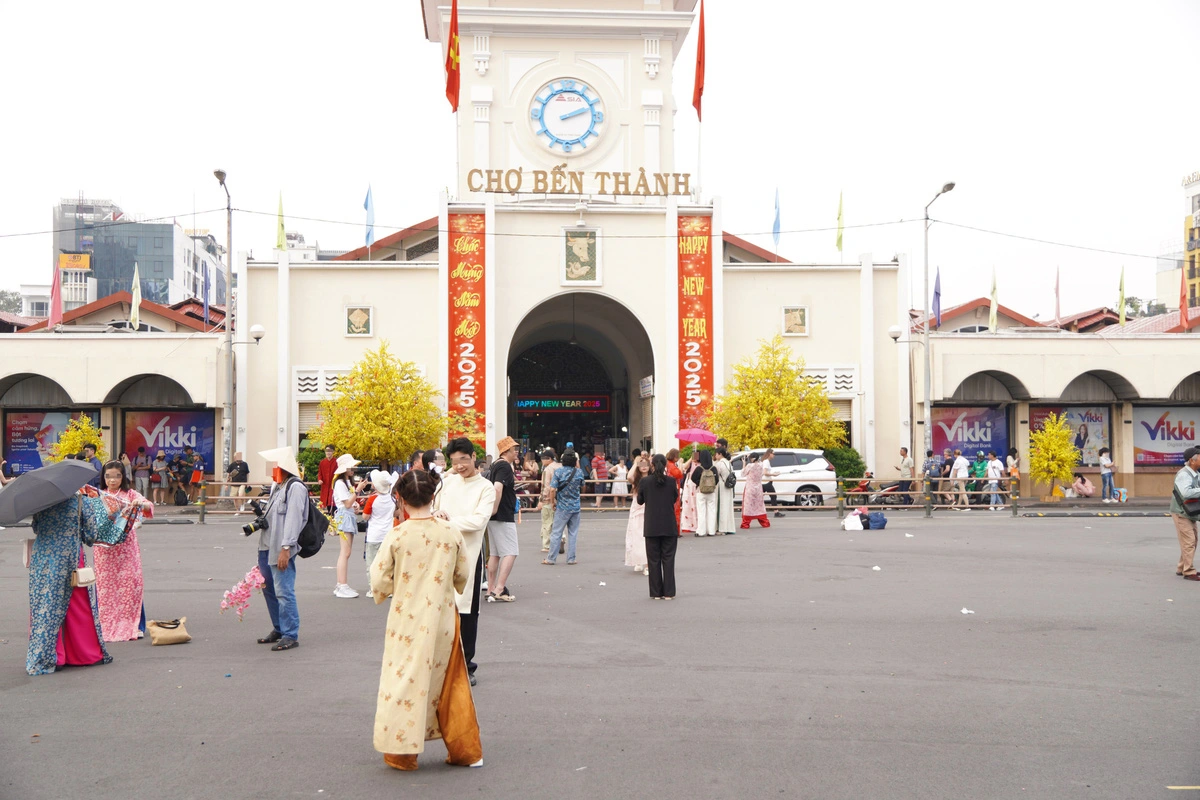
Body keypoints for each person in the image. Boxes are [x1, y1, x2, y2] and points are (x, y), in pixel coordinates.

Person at [371, 468, 482, 771]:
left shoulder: (397, 535)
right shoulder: (449, 532)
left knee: (404, 680)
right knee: (450, 681)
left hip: (405, 619)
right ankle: (466, 750)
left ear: (401, 499)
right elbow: (462, 574)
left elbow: (379, 580)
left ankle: (402, 752)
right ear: (433, 496)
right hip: (442, 617)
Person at [25, 491, 128, 676]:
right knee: (76, 606)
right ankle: (83, 654)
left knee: (44, 606)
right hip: (70, 557)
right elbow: (90, 536)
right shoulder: (82, 502)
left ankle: (50, 657)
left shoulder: (41, 501)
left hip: (43, 557)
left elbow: (36, 528)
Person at [433, 438, 496, 686]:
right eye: (454, 461)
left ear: (473, 458)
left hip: (469, 555)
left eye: (463, 460)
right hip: (439, 554)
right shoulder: (446, 483)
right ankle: (441, 665)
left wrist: (447, 520)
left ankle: (466, 666)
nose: (459, 466)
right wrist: (436, 514)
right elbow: (432, 509)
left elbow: (479, 521)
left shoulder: (485, 487)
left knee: (467, 613)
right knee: (440, 610)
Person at [92, 460, 153, 642]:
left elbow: (149, 506)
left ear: (123, 477)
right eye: (108, 476)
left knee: (130, 584)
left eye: (117, 476)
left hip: (126, 547)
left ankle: (136, 624)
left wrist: (139, 504)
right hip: (104, 550)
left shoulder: (130, 493)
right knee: (106, 588)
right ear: (103, 477)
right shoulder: (98, 496)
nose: (112, 480)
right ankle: (105, 623)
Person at [255, 446, 308, 650]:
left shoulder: (295, 487)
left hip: (281, 546)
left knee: (284, 591)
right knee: (269, 588)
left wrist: (286, 548)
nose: (271, 469)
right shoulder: (277, 485)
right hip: (266, 544)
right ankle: (279, 627)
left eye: (274, 465)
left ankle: (290, 633)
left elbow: (294, 520)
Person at [638, 454, 680, 600]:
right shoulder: (671, 481)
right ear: (665, 465)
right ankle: (668, 592)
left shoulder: (645, 481)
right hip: (668, 524)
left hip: (651, 525)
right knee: (668, 559)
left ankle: (656, 593)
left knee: (653, 560)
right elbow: (675, 498)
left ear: (652, 465)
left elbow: (640, 500)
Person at [486, 436, 520, 602]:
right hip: (503, 515)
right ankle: (499, 588)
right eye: (514, 449)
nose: (517, 452)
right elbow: (497, 488)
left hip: (493, 517)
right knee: (511, 551)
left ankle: (491, 588)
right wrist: (495, 508)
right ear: (506, 451)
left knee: (495, 553)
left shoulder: (494, 465)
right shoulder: (505, 466)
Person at [544, 450, 585, 566]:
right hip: (575, 507)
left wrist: (553, 502)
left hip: (562, 507)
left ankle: (551, 558)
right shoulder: (579, 472)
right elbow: (583, 485)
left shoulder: (559, 472)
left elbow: (552, 489)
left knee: (556, 533)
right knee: (573, 533)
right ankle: (571, 558)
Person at [363, 469, 398, 600]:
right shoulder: (392, 499)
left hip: (374, 535)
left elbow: (365, 516)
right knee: (388, 563)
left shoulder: (372, 499)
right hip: (388, 534)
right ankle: (389, 588)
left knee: (372, 563)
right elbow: (395, 513)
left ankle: (373, 588)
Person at [331, 453, 362, 598]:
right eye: (351, 467)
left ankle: (341, 584)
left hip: (348, 515)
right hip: (344, 517)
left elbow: (350, 502)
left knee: (346, 552)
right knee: (345, 552)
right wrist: (357, 491)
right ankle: (341, 585)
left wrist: (355, 505)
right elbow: (347, 503)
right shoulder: (339, 483)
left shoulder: (346, 482)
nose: (353, 469)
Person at [1170, 447, 1200, 581]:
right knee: (1189, 541)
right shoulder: (1184, 474)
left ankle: (1181, 567)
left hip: (1190, 511)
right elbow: (1186, 493)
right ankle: (1189, 571)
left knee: (1192, 539)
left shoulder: (1195, 473)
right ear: (1191, 460)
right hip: (1181, 512)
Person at [624, 455, 650, 575]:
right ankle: (638, 561)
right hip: (636, 509)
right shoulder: (636, 479)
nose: (644, 467)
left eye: (646, 464)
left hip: (648, 509)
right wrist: (635, 463)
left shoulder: (652, 478)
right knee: (636, 536)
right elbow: (628, 476)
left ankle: (647, 564)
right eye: (641, 465)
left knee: (646, 537)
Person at [689, 449, 720, 536]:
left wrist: (699, 483)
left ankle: (701, 531)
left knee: (701, 512)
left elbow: (692, 478)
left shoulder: (699, 468)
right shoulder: (713, 468)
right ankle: (711, 531)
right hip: (711, 492)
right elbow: (716, 479)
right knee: (712, 511)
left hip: (701, 492)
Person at [537, 449, 561, 553]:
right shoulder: (561, 467)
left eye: (543, 459)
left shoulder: (548, 470)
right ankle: (562, 539)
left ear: (549, 459)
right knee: (558, 522)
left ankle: (546, 545)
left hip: (548, 499)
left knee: (547, 522)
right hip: (561, 499)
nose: (542, 461)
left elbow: (546, 486)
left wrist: (541, 499)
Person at [740, 453, 770, 528]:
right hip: (759, 488)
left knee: (748, 505)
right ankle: (764, 522)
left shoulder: (750, 466)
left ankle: (746, 523)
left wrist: (744, 463)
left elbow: (743, 474)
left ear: (752, 458)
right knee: (759, 505)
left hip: (750, 487)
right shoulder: (761, 465)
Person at [713, 448, 736, 535]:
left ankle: (721, 528)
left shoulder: (719, 464)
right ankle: (729, 527)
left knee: (721, 506)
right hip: (728, 487)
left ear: (720, 454)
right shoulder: (729, 463)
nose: (715, 455)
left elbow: (716, 474)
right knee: (728, 506)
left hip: (721, 486)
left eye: (716, 454)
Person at [679, 449, 700, 534]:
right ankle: (687, 525)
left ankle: (696, 524)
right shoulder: (690, 463)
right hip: (688, 486)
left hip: (695, 486)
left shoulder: (700, 465)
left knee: (695, 505)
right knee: (687, 504)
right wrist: (691, 458)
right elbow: (684, 467)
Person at [762, 449, 785, 518]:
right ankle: (776, 512)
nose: (774, 455)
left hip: (766, 482)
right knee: (773, 496)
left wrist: (773, 474)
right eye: (773, 453)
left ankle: (754, 510)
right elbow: (765, 473)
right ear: (769, 453)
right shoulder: (766, 462)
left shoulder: (766, 461)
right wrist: (773, 474)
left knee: (760, 497)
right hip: (766, 482)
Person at [665, 449, 683, 529]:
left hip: (669, 488)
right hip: (673, 488)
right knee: (675, 510)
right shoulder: (672, 465)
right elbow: (679, 474)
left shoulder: (668, 464)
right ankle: (675, 528)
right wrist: (681, 464)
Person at [318, 445, 338, 513]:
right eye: (326, 451)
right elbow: (320, 473)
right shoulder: (322, 462)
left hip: (333, 486)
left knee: (332, 503)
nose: (328, 453)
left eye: (329, 451)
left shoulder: (336, 462)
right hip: (325, 486)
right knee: (324, 504)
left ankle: (332, 519)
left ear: (333, 452)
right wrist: (320, 479)